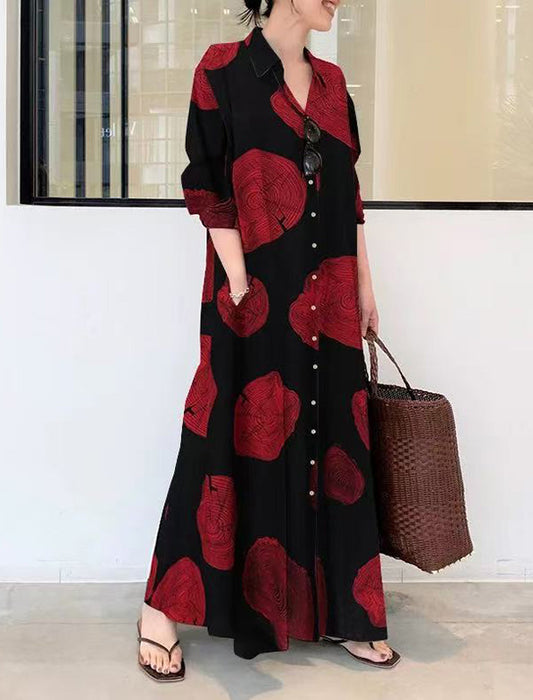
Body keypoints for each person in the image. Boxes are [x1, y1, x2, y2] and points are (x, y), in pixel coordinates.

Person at [136, 0, 401, 682]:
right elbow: (206, 182)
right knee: (218, 438)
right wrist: (237, 279)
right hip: (249, 298)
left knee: (334, 443)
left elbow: (348, 197)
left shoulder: (334, 85)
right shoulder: (221, 70)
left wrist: (364, 285)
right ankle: (161, 608)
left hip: (329, 297)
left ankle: (344, 612)